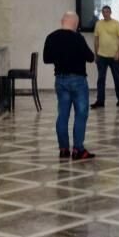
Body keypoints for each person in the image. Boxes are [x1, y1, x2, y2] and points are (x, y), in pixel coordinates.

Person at [43, 11, 96, 160]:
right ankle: (78, 149)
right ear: (76, 24)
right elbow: (90, 57)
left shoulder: (51, 37)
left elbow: (46, 59)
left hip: (60, 80)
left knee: (63, 114)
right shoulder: (78, 38)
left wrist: (60, 57)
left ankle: (64, 149)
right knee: (81, 114)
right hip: (78, 81)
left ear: (62, 21)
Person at [91, 5, 119, 108]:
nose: (105, 13)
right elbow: (96, 40)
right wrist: (96, 54)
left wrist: (118, 52)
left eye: (107, 12)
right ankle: (100, 101)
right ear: (102, 13)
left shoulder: (116, 23)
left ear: (110, 13)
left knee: (117, 78)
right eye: (104, 12)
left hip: (114, 56)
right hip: (101, 56)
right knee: (101, 79)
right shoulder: (98, 24)